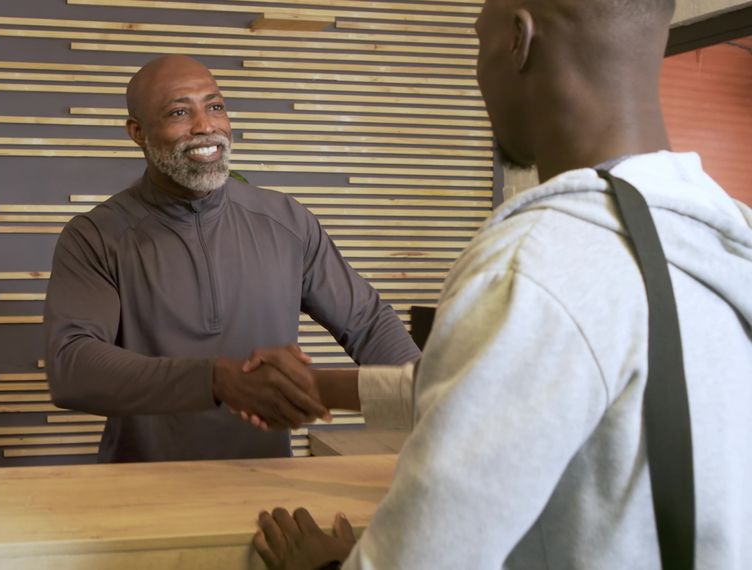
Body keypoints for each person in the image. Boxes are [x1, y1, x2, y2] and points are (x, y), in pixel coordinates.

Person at [252, 0, 752, 567]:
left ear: (519, 39)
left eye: (477, 39)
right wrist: (324, 388)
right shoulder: (722, 233)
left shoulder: (531, 265)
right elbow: (547, 379)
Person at [44, 55, 420, 463]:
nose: (206, 126)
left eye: (215, 106)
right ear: (138, 132)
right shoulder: (95, 236)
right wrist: (215, 379)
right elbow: (73, 366)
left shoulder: (286, 220)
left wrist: (436, 399)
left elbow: (367, 323)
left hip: (268, 481)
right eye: (179, 112)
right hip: (140, 486)